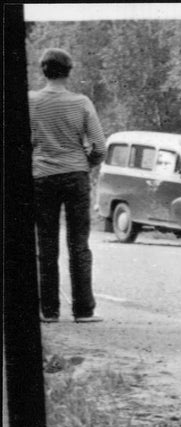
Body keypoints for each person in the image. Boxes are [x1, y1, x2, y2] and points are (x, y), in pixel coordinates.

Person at [29, 48, 106, 323]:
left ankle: (48, 311)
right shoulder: (81, 102)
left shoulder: (30, 102)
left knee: (46, 244)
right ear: (69, 71)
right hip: (75, 175)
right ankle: (83, 310)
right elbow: (99, 145)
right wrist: (87, 163)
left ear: (43, 70)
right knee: (79, 244)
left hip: (41, 177)